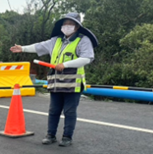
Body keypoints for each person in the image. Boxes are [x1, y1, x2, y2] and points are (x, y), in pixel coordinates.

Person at [10, 12, 98, 146]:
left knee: (69, 111)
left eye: (70, 24)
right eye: (65, 24)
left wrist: (65, 64)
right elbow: (39, 46)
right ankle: (50, 135)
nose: (67, 26)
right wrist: (22, 48)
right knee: (53, 110)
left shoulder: (83, 40)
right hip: (56, 82)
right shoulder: (56, 40)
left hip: (73, 83)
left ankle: (67, 137)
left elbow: (87, 58)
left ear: (77, 27)